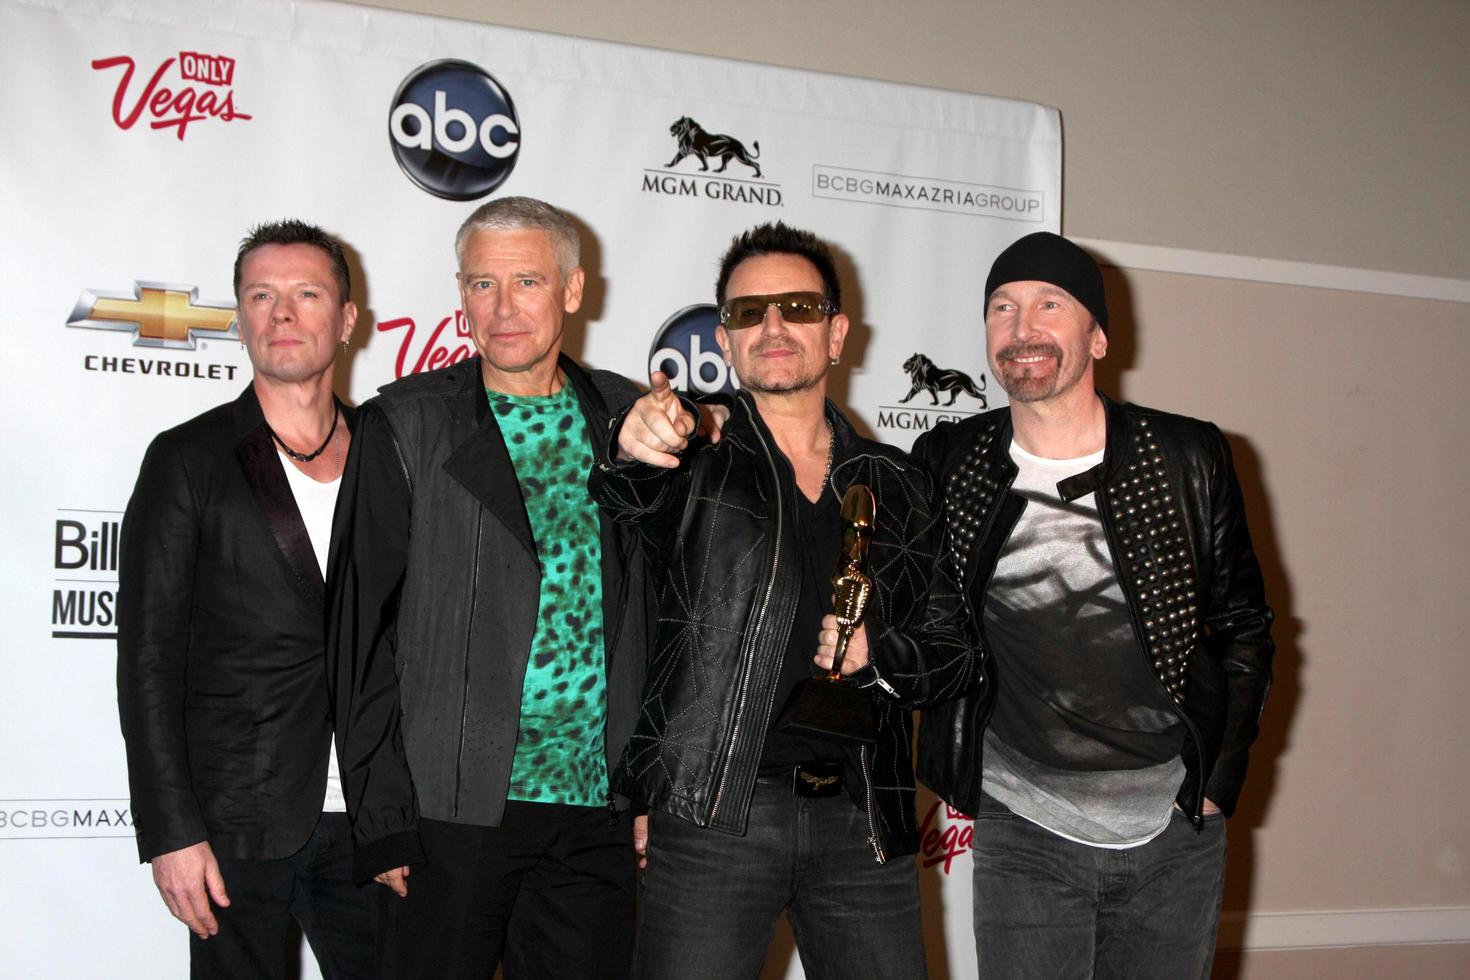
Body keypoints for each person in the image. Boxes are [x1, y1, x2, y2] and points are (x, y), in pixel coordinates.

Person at [595, 222, 977, 980]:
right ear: (727, 343)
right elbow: (628, 492)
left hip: (867, 820)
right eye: (747, 313)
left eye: (797, 308)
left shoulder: (898, 482)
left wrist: (879, 655)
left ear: (836, 334)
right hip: (714, 814)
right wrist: (632, 442)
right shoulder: (695, 455)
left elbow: (954, 653)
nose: (772, 327)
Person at [914, 231, 1275, 978]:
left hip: (1175, 829)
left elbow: (1245, 628)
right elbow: (919, 620)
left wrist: (1217, 781)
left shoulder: (1186, 458)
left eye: (1051, 303)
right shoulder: (951, 464)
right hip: (1024, 824)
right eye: (1002, 308)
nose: (1022, 327)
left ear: (1099, 335)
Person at [329, 196, 650, 979]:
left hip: (592, 810)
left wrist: (645, 784)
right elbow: (359, 636)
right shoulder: (406, 423)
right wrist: (384, 819)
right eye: (481, 285)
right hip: (450, 812)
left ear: (574, 291)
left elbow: (661, 618)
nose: (502, 309)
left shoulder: (627, 419)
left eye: (528, 282)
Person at [117, 220, 371, 978]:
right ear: (239, 317)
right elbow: (149, 661)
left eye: (306, 293)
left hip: (376, 824)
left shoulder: (392, 457)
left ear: (347, 320)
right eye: (261, 295)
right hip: (234, 821)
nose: (282, 313)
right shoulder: (187, 459)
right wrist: (171, 831)